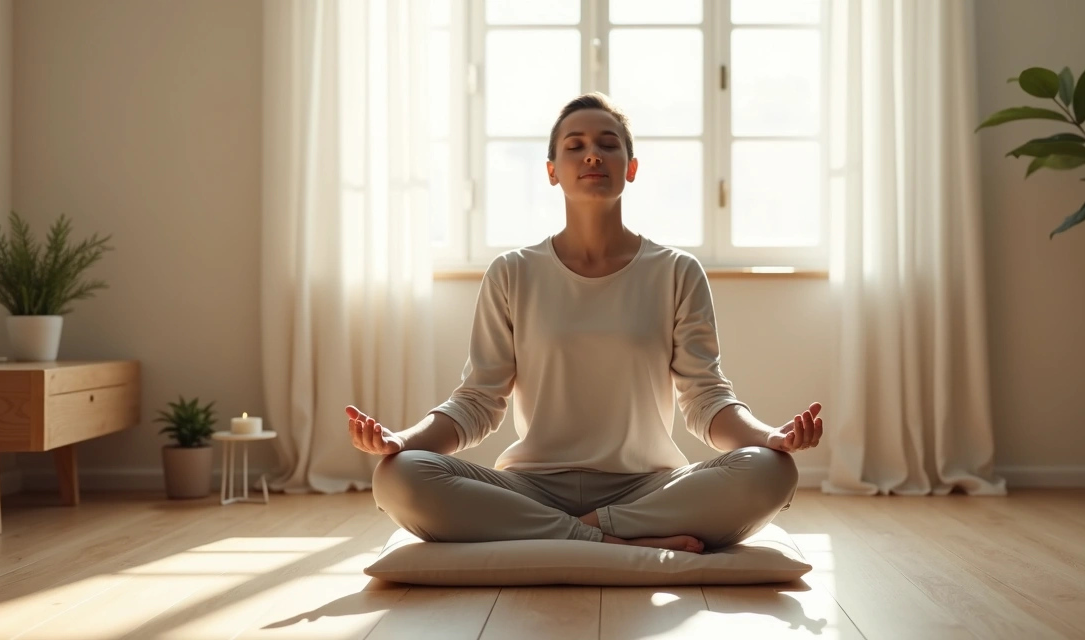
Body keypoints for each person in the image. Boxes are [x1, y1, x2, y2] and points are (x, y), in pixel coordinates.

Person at [346, 92, 823, 554]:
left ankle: (577, 532)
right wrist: (401, 441)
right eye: (575, 146)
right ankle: (608, 539)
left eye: (608, 144)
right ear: (552, 171)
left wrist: (768, 437)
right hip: (531, 487)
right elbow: (478, 401)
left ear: (631, 168)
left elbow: (705, 399)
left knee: (772, 471)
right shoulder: (512, 272)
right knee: (397, 476)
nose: (592, 155)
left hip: (649, 487)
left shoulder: (677, 271)